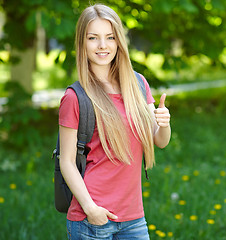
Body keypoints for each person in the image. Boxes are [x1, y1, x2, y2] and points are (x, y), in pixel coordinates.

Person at [58, 4, 171, 239]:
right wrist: (91, 209)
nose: (102, 45)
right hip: (92, 219)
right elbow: (66, 161)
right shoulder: (75, 97)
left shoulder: (138, 85)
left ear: (119, 41)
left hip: (133, 218)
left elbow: (160, 141)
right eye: (93, 38)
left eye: (110, 37)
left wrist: (164, 122)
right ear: (82, 43)